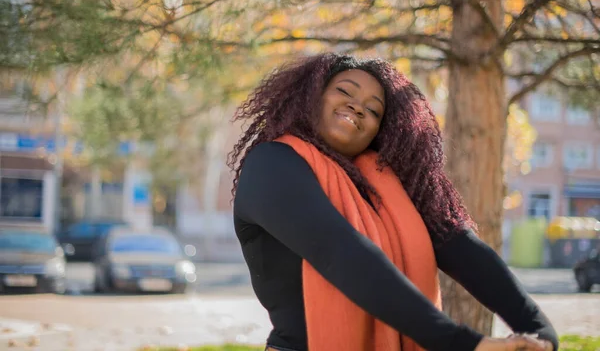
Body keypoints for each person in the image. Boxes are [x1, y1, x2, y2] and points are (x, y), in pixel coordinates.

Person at [227, 53, 558, 351]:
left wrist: (538, 330)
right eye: (344, 91)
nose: (358, 107)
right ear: (310, 96)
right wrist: (464, 345)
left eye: (374, 109)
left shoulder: (387, 187)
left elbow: (460, 246)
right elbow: (343, 253)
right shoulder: (270, 164)